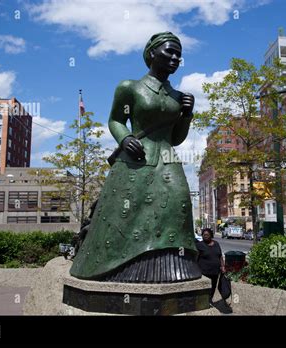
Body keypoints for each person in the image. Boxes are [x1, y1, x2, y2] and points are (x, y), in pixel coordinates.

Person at [70, 32, 201, 283]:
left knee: (178, 203)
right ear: (152, 54)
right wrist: (125, 138)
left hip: (167, 158)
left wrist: (186, 114)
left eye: (178, 54)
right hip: (135, 159)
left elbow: (176, 139)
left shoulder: (177, 96)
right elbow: (116, 120)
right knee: (125, 215)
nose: (175, 58)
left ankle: (174, 266)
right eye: (169, 52)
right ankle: (121, 270)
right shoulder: (130, 87)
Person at [196, 228, 225, 304]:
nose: (205, 236)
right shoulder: (199, 245)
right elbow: (196, 257)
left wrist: (222, 266)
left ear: (211, 235)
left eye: (207, 235)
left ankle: (210, 300)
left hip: (215, 271)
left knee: (213, 287)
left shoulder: (216, 244)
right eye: (204, 235)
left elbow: (220, 256)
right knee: (204, 287)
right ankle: (203, 301)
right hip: (204, 272)